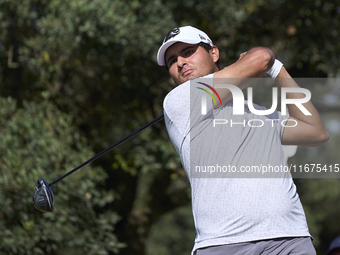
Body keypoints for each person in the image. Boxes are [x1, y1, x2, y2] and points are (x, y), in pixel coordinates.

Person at [157, 26, 329, 255]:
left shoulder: (258, 114)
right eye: (171, 61)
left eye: (188, 52)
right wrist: (260, 63)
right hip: (224, 243)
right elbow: (262, 57)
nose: (179, 63)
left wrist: (278, 70)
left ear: (214, 53)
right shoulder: (180, 100)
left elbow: (315, 132)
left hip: (289, 237)